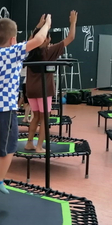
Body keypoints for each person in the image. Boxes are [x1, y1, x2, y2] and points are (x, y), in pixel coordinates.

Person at [0, 15, 52, 194]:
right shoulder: (12, 52)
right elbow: (39, 40)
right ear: (13, 40)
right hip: (5, 111)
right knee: (9, 147)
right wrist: (47, 24)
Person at [24, 11, 77, 153]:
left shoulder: (30, 50)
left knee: (36, 116)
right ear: (45, 39)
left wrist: (39, 26)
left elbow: (31, 39)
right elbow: (70, 37)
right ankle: (40, 146)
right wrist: (72, 22)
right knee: (45, 119)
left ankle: (29, 143)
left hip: (30, 90)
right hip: (44, 90)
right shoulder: (49, 51)